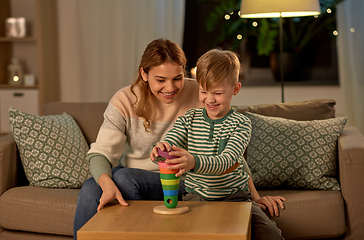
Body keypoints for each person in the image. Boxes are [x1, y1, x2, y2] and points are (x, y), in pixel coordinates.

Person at [150, 49, 286, 240]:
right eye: (203, 91)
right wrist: (160, 147)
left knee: (271, 235)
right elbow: (171, 139)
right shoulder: (189, 119)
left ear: (235, 89)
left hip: (236, 198)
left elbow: (227, 161)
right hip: (196, 199)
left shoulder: (241, 124)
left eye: (218, 93)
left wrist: (194, 162)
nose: (210, 99)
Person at [73, 38, 202, 238]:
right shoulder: (125, 100)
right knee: (93, 187)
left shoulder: (199, 94)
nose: (170, 88)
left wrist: (252, 196)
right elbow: (100, 153)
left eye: (177, 78)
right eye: (161, 80)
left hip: (183, 182)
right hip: (133, 180)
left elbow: (229, 139)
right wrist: (106, 184)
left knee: (123, 177)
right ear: (144, 73)